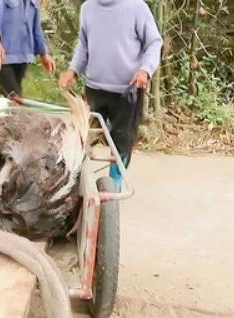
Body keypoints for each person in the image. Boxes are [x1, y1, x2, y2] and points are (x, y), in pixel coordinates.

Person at [59, 0, 163, 189]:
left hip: (127, 90)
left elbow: (154, 43)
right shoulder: (88, 8)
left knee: (122, 139)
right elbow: (83, 44)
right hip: (94, 87)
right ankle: (76, 182)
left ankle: (114, 183)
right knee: (81, 136)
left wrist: (145, 70)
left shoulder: (136, 7)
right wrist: (73, 70)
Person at [0, 0, 56, 98]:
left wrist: (44, 53)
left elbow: (36, 27)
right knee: (14, 98)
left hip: (23, 56)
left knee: (10, 97)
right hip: (3, 56)